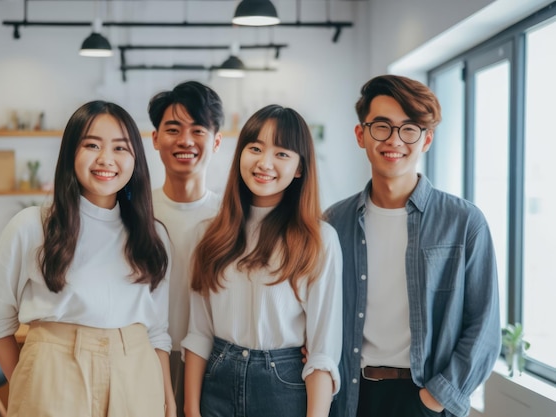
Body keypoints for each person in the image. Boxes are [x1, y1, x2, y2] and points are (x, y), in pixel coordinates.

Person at [0, 100, 175, 416]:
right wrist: (25, 382)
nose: (106, 159)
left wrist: (167, 399)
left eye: (120, 148)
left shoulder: (154, 237)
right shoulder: (31, 226)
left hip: (138, 375)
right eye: (92, 145)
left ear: (136, 160)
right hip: (52, 375)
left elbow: (157, 331)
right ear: (71, 153)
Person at [325, 74, 501, 417]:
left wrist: (434, 401)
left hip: (423, 399)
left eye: (409, 128)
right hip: (349, 397)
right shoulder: (333, 223)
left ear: (427, 139)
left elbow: (484, 328)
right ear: (361, 135)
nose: (395, 140)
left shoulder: (464, 222)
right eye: (382, 126)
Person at [182, 104, 343, 417]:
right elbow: (199, 333)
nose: (264, 162)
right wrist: (191, 411)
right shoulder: (208, 234)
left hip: (284, 388)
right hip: (217, 381)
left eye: (282, 153)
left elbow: (323, 352)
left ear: (300, 168)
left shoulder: (319, 239)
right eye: (255, 148)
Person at [148, 80, 225, 417]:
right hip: (144, 358)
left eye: (198, 129)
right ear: (154, 138)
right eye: (173, 129)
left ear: (217, 141)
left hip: (215, 362)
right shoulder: (134, 214)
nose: (185, 141)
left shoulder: (231, 217)